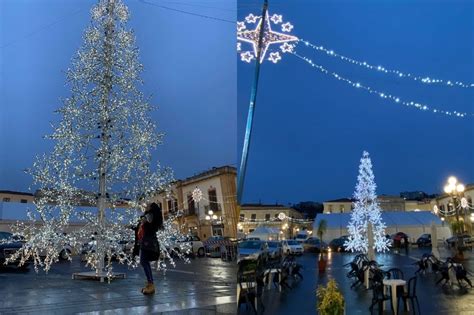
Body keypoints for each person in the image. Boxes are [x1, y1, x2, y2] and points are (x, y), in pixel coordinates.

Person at [136, 202, 163, 295]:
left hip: (148, 243)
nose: (146, 206)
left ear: (151, 208)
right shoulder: (151, 215)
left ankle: (151, 284)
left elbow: (147, 224)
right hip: (149, 242)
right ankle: (150, 284)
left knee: (143, 261)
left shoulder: (150, 215)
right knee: (144, 261)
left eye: (148, 205)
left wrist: (143, 220)